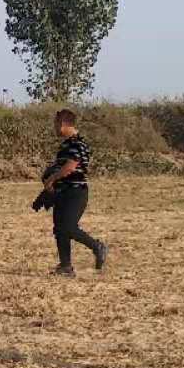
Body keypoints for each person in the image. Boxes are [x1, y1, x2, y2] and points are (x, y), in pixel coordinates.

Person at [40, 109, 108, 276]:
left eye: (56, 124)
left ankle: (96, 246)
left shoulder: (77, 143)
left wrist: (51, 179)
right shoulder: (66, 144)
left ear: (63, 124)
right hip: (63, 191)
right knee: (60, 229)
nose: (54, 127)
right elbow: (62, 165)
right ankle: (65, 267)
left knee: (68, 227)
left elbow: (70, 167)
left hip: (75, 192)